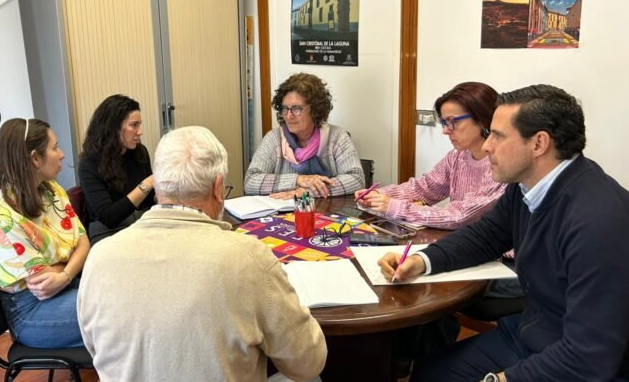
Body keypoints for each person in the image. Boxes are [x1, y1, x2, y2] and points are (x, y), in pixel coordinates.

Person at [379, 85, 629, 381]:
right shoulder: (525, 187)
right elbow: (485, 236)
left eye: (497, 135)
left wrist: (501, 379)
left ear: (538, 144)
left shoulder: (597, 220)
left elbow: (590, 355)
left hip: (578, 361)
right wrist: (422, 261)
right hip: (531, 333)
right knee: (431, 372)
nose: (487, 146)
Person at [77, 126, 327, 381]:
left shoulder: (99, 257)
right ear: (218, 189)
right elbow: (308, 362)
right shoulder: (248, 257)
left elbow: (94, 346)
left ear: (157, 185)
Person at [0, 118, 89, 348]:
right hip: (32, 312)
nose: (62, 154)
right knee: (117, 311)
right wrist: (66, 268)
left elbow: (83, 241)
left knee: (123, 295)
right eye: (55, 147)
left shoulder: (51, 190)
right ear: (35, 158)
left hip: (67, 284)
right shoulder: (1, 215)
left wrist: (63, 274)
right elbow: (42, 286)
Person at [357, 82, 506, 230]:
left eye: (453, 122)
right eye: (443, 123)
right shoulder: (457, 157)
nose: (446, 131)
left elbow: (460, 215)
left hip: (498, 252)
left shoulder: (502, 165)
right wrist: (379, 195)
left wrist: (395, 207)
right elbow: (425, 188)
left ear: (482, 118)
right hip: (463, 242)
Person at [244, 73, 364, 198]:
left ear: (315, 110)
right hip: (280, 213)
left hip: (326, 213)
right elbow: (251, 180)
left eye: (296, 109)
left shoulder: (338, 137)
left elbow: (356, 179)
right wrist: (298, 180)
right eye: (285, 108)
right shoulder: (274, 138)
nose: (289, 116)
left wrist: (306, 193)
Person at [79, 94, 155, 243]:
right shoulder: (89, 163)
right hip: (108, 233)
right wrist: (148, 183)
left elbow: (150, 202)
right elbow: (109, 217)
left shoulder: (139, 152)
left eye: (139, 124)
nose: (140, 131)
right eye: (134, 125)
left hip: (141, 224)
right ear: (113, 127)